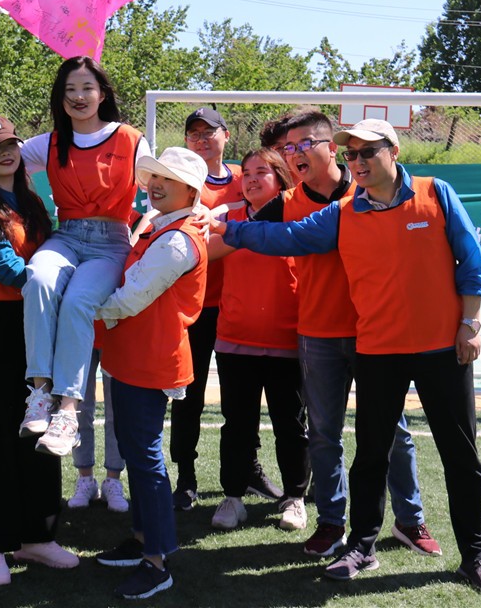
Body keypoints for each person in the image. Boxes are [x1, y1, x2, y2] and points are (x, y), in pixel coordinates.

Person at [210, 118, 481, 594]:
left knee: (460, 456)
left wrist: (470, 324)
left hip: (441, 350)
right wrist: (230, 229)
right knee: (370, 456)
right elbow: (288, 237)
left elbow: (472, 263)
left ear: (394, 151)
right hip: (377, 351)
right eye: (353, 154)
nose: (359, 161)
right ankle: (362, 545)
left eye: (369, 152)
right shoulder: (345, 212)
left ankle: (475, 556)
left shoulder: (435, 193)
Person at [258, 110, 440, 559]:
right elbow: (244, 231)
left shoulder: (369, 190)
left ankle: (409, 519)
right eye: (288, 148)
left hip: (375, 334)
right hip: (318, 335)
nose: (294, 155)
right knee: (324, 434)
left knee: (393, 432)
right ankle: (331, 523)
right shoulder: (286, 202)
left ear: (330, 147)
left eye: (303, 145)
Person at [0, 57, 150, 457]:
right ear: (60, 99)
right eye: (69, 90)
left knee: (78, 301)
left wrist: (190, 214)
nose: (79, 96)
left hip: (110, 242)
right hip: (68, 236)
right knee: (38, 279)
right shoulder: (50, 143)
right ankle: (40, 394)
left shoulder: (131, 139)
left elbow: (163, 186)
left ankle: (68, 413)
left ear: (103, 93)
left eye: (87, 88)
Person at [0, 115, 80, 586]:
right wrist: (56, 283)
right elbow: (6, 268)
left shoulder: (33, 204)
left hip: (39, 325)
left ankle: (37, 536)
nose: (6, 153)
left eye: (11, 144)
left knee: (39, 432)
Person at [92, 147, 209, 600]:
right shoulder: (162, 226)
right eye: (154, 176)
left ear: (190, 191)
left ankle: (157, 561)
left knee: (145, 458)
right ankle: (142, 539)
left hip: (151, 359)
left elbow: (132, 297)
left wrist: (79, 310)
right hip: (132, 356)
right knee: (137, 453)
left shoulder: (177, 239)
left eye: (168, 179)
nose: (156, 184)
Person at [170, 107, 283, 511]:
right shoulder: (181, 181)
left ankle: (247, 468)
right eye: (194, 133)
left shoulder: (246, 177)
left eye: (209, 132)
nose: (201, 139)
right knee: (188, 394)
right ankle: (185, 477)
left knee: (243, 399)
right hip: (194, 307)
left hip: (240, 307)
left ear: (226, 135)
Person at [206, 147, 310, 532]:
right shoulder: (229, 218)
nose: (251, 178)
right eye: (246, 172)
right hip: (235, 340)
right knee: (237, 424)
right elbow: (206, 251)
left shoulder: (299, 216)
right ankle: (233, 497)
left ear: (280, 177)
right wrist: (238, 227)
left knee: (290, 424)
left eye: (261, 171)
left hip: (288, 340)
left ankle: (295, 497)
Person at [66, 348, 128, 513]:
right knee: (80, 408)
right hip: (82, 334)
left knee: (116, 409)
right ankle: (85, 479)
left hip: (115, 334)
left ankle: (113, 481)